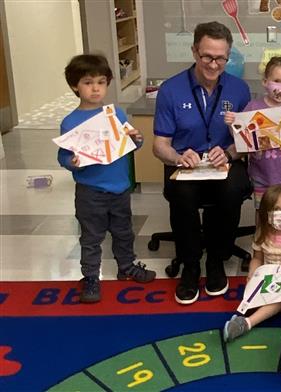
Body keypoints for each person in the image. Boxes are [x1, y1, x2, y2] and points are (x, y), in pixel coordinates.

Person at [153, 21, 252, 304]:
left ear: (228, 55)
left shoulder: (239, 90)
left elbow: (248, 141)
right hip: (185, 162)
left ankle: (216, 261)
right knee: (181, 195)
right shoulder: (171, 90)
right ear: (195, 51)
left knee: (232, 190)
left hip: (225, 161)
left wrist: (232, 152)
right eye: (207, 56)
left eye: (221, 58)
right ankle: (191, 264)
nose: (213, 64)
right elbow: (159, 146)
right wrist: (177, 156)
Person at [58, 54, 156, 303]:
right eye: (88, 82)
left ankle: (126, 265)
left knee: (124, 231)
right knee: (91, 237)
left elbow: (130, 144)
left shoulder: (116, 114)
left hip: (120, 187)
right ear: (74, 86)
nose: (95, 88)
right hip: (90, 190)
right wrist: (71, 162)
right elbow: (64, 156)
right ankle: (91, 276)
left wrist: (137, 139)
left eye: (101, 82)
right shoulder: (70, 122)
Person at [224, 185, 281, 341]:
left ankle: (247, 323)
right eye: (277, 209)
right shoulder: (262, 233)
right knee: (259, 298)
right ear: (267, 213)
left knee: (276, 298)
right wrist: (252, 274)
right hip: (272, 280)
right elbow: (257, 258)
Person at [224, 57, 281, 209]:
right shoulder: (254, 106)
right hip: (260, 176)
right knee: (262, 214)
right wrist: (232, 124)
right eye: (276, 80)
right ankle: (260, 234)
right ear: (265, 82)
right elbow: (242, 139)